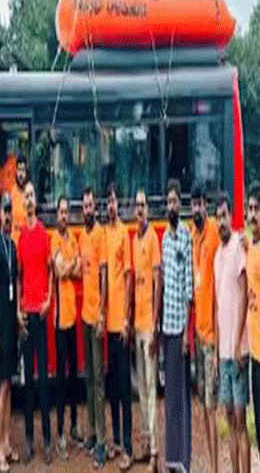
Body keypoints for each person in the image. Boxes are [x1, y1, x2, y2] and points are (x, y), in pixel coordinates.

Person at [213, 193, 250, 473]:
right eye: (218, 217)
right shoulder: (217, 255)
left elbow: (248, 296)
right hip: (223, 354)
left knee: (240, 420)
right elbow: (217, 306)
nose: (221, 222)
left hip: (238, 352)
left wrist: (238, 345)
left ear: (231, 217)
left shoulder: (239, 246)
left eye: (224, 215)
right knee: (228, 416)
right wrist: (216, 353)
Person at [17, 180, 53, 464]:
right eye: (25, 196)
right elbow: (18, 276)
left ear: (36, 201)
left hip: (41, 314)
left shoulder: (43, 233)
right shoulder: (21, 237)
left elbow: (51, 270)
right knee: (28, 380)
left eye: (32, 195)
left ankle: (47, 440)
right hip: (26, 315)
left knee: (43, 382)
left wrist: (49, 300)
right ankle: (29, 440)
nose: (29, 200)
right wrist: (19, 308)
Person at [161, 178, 194, 473]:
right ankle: (172, 457)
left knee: (183, 396)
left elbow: (188, 287)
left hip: (180, 327)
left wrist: (187, 333)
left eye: (175, 201)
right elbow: (164, 286)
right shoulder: (164, 240)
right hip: (166, 326)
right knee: (169, 394)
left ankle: (185, 458)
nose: (171, 206)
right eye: (168, 202)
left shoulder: (186, 237)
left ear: (180, 204)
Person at [189, 183, 220, 473]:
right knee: (204, 407)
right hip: (199, 335)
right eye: (193, 204)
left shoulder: (213, 234)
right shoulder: (194, 233)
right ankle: (212, 465)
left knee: (211, 409)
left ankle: (214, 467)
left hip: (212, 338)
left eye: (199, 204)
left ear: (206, 205)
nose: (196, 209)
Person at [102, 182, 133, 470]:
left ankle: (128, 447)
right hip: (107, 326)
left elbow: (128, 278)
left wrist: (126, 320)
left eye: (113, 201)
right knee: (112, 388)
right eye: (107, 202)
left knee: (124, 389)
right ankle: (114, 442)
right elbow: (104, 278)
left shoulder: (124, 233)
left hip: (120, 326)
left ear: (118, 204)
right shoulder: (104, 234)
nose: (110, 206)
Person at [0, 194, 22, 473]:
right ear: (0, 215)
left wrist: (19, 315)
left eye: (11, 212)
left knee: (9, 385)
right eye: (5, 212)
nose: (8, 216)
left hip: (12, 324)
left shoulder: (13, 245)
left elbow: (16, 283)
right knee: (2, 386)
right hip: (1, 326)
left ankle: (8, 442)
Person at [132, 188, 161, 472]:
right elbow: (134, 285)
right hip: (136, 324)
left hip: (148, 327)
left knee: (152, 388)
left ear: (148, 210)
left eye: (143, 205)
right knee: (140, 387)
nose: (139, 210)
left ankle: (154, 450)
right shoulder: (134, 240)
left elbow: (156, 283)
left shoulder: (152, 239)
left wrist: (154, 326)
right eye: (137, 205)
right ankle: (145, 441)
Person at [51, 194, 82, 460]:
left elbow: (78, 270)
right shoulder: (55, 240)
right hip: (60, 319)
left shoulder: (73, 239)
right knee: (60, 379)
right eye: (60, 212)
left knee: (74, 376)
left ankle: (73, 427)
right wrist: (71, 266)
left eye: (66, 212)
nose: (63, 216)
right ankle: (60, 432)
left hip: (73, 318)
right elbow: (61, 271)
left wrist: (70, 266)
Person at [79, 186, 107, 468]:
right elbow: (80, 267)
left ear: (95, 208)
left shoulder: (99, 235)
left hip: (95, 317)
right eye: (84, 206)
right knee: (87, 377)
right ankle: (91, 432)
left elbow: (102, 275)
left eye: (90, 206)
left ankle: (102, 441)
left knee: (99, 380)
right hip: (84, 317)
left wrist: (101, 316)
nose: (88, 210)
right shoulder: (82, 237)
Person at [246, 182, 260, 455]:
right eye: (250, 209)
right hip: (255, 354)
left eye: (257, 209)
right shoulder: (251, 249)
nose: (253, 214)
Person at [10, 154, 28, 244]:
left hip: (27, 241)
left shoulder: (29, 192)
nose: (21, 174)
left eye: (23, 170)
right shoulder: (12, 192)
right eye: (19, 170)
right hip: (15, 241)